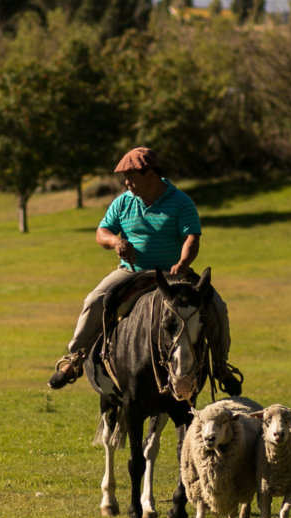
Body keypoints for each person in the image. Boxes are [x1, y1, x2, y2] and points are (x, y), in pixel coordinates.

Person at [47, 146, 241, 395]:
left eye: (131, 178)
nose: (126, 183)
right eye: (125, 178)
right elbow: (101, 233)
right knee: (95, 300)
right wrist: (115, 241)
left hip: (174, 276)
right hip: (132, 272)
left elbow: (192, 238)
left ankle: (221, 365)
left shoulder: (181, 202)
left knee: (217, 306)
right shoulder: (123, 202)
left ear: (150, 175)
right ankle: (75, 358)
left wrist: (182, 264)